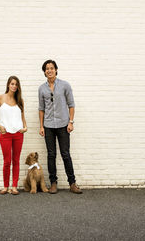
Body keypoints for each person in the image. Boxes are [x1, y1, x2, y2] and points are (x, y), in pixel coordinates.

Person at [38, 60, 82, 194]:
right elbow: (41, 109)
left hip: (63, 125)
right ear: (44, 72)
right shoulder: (42, 88)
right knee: (51, 155)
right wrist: (41, 126)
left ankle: (72, 183)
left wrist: (71, 122)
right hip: (49, 125)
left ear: (56, 70)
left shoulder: (65, 85)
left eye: (51, 68)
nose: (49, 70)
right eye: (47, 69)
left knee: (65, 154)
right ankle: (53, 183)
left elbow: (71, 104)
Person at [0, 76, 27, 195]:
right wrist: (0, 126)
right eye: (12, 84)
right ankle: (6, 186)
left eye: (16, 84)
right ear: (8, 85)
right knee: (7, 161)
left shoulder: (20, 100)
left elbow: (22, 116)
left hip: (18, 134)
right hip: (5, 134)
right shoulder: (0, 98)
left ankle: (14, 187)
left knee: (16, 160)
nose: (14, 86)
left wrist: (25, 127)